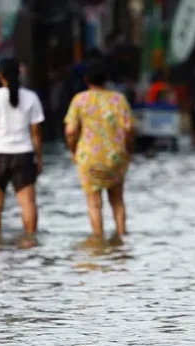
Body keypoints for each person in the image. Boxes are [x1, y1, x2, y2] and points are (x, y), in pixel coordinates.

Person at [64, 59, 135, 239]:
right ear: (106, 79)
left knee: (94, 204)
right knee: (117, 201)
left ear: (86, 79)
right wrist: (128, 150)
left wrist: (73, 151)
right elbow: (129, 129)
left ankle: (98, 240)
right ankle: (121, 237)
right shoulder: (119, 99)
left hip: (89, 159)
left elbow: (70, 131)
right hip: (116, 158)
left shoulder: (80, 100)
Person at [0, 58, 45, 246]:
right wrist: (39, 157)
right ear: (20, 73)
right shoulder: (31, 97)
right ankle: (30, 243)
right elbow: (36, 132)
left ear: (0, 75)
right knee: (27, 203)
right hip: (23, 154)